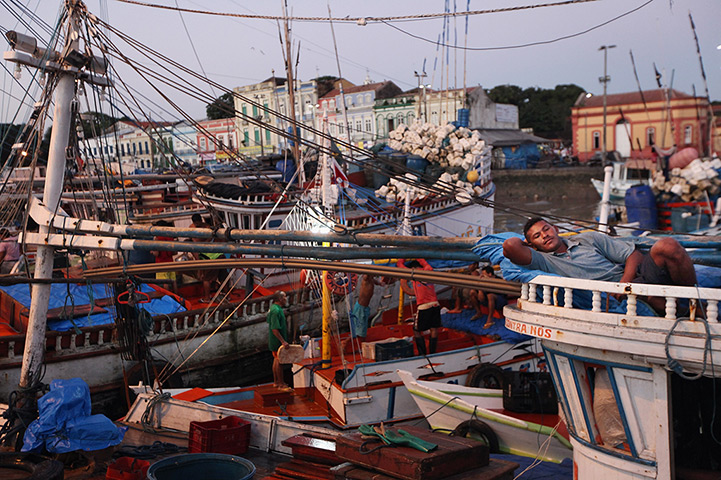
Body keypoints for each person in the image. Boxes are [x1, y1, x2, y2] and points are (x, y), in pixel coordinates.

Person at [502, 217, 697, 313]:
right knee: (645, 296)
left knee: (667, 246)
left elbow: (633, 255)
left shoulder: (588, 239)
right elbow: (510, 246)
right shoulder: (543, 260)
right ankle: (685, 317)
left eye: (546, 229)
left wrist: (624, 284)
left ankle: (694, 304)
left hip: (630, 277)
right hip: (613, 295)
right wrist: (525, 243)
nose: (545, 235)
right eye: (537, 236)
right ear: (531, 245)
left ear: (556, 229)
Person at [398, 258, 441, 355]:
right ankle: (433, 353)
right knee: (434, 329)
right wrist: (417, 256)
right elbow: (424, 261)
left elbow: (399, 264)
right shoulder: (428, 270)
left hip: (424, 306)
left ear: (413, 267)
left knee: (416, 330)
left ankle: (423, 354)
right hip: (435, 304)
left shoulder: (412, 273)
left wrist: (402, 257)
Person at [344, 274, 380, 353]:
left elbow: (376, 281)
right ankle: (344, 343)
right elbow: (366, 276)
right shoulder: (365, 279)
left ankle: (363, 346)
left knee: (363, 331)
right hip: (360, 308)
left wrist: (381, 283)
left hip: (365, 308)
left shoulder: (371, 279)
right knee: (357, 331)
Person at [267, 291, 290, 390]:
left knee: (276, 360)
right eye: (284, 297)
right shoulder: (276, 311)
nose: (286, 299)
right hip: (277, 340)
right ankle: (280, 383)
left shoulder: (273, 308)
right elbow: (275, 329)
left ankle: (276, 382)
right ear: (280, 299)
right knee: (279, 361)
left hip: (274, 339)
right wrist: (283, 341)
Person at [150, 220, 177, 292]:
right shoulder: (170, 237)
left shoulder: (157, 238)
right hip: (170, 261)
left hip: (161, 262)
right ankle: (177, 295)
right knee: (173, 280)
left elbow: (157, 253)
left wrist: (152, 251)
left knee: (165, 282)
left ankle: (168, 296)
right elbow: (174, 252)